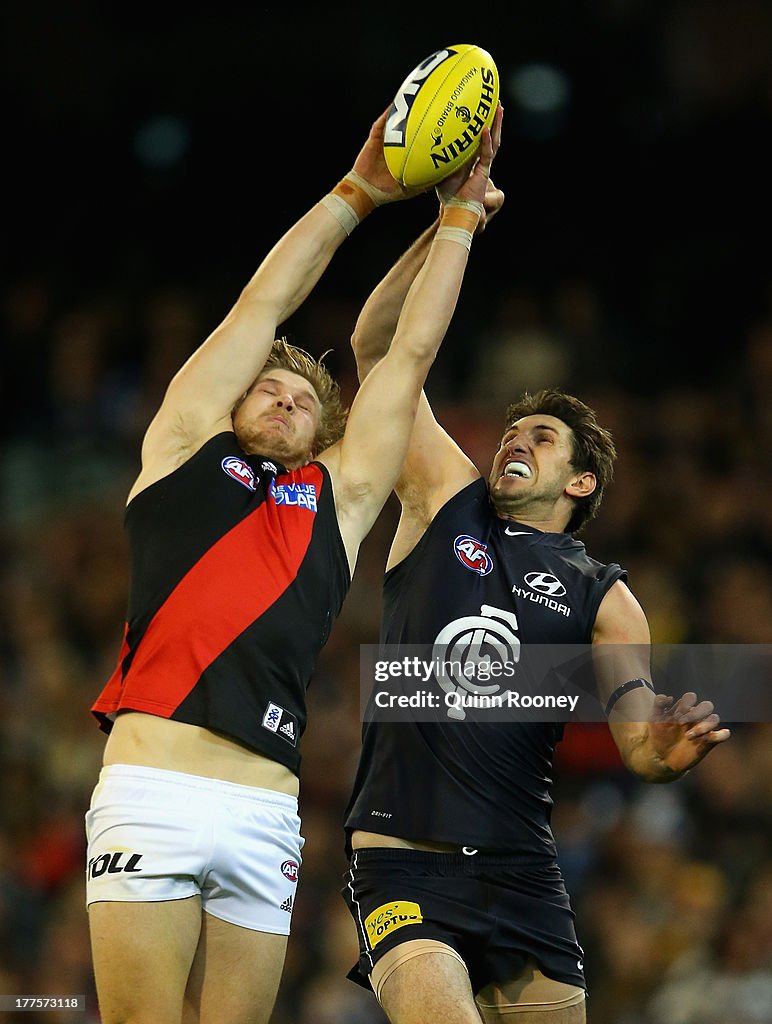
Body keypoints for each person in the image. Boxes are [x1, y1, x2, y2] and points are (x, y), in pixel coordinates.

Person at [85, 103, 503, 1024]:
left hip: (263, 815)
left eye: (301, 400)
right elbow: (261, 306)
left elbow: (410, 354)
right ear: (233, 405)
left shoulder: (338, 503)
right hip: (150, 788)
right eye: (265, 389)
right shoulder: (183, 449)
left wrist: (461, 221)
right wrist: (357, 193)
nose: (279, 399)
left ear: (325, 436)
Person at [341, 202, 731, 1024]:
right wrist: (450, 221)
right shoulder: (444, 500)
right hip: (404, 866)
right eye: (513, 430)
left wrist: (664, 751)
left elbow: (639, 746)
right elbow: (376, 350)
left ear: (581, 482)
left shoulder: (608, 598)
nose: (516, 438)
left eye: (543, 437)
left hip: (523, 873)